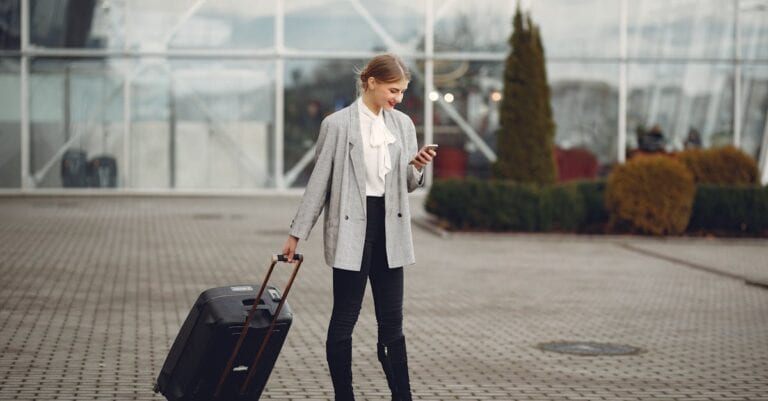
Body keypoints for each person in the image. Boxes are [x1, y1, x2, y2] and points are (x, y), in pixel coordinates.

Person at [281, 53, 436, 401]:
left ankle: (402, 395)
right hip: (352, 227)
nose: (397, 98)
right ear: (371, 83)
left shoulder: (403, 125)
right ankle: (344, 396)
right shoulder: (337, 125)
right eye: (393, 90)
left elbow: (409, 184)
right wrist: (296, 235)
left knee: (392, 323)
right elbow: (318, 184)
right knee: (344, 320)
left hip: (390, 229)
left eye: (402, 92)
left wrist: (418, 166)